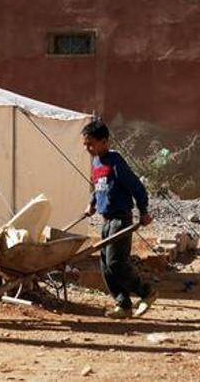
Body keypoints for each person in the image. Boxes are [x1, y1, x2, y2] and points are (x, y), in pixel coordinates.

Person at [81, 119, 156, 319]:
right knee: (105, 265)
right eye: (85, 144)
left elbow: (137, 187)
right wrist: (92, 203)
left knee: (116, 262)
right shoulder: (97, 162)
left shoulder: (116, 161)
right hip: (106, 220)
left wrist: (144, 211)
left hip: (121, 219)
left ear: (104, 141)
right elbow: (99, 187)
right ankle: (123, 304)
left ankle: (145, 292)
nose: (88, 148)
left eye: (91, 143)